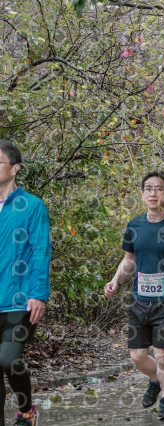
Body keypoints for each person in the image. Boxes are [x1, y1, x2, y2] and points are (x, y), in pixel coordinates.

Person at [104, 170, 164, 420]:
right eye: (148, 188)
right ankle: (157, 380)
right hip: (139, 299)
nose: (153, 193)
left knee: (162, 353)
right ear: (142, 194)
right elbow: (129, 260)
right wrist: (115, 281)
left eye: (158, 189)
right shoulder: (134, 225)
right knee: (137, 356)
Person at [0, 140, 51, 426]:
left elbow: (41, 250)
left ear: (15, 168)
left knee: (8, 360)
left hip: (19, 301)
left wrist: (39, 294)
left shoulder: (32, 206)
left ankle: (27, 409)